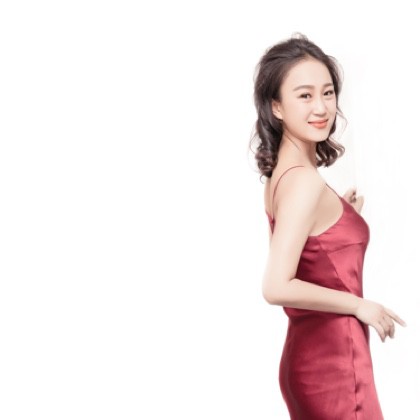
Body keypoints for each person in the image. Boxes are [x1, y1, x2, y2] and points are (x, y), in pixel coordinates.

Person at [249, 33, 407, 419]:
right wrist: (360, 305)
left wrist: (343, 219)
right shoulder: (303, 182)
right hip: (334, 362)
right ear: (276, 106)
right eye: (304, 95)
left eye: (328, 93)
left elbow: (308, 257)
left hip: (312, 356)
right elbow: (276, 286)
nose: (321, 107)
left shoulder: (283, 175)